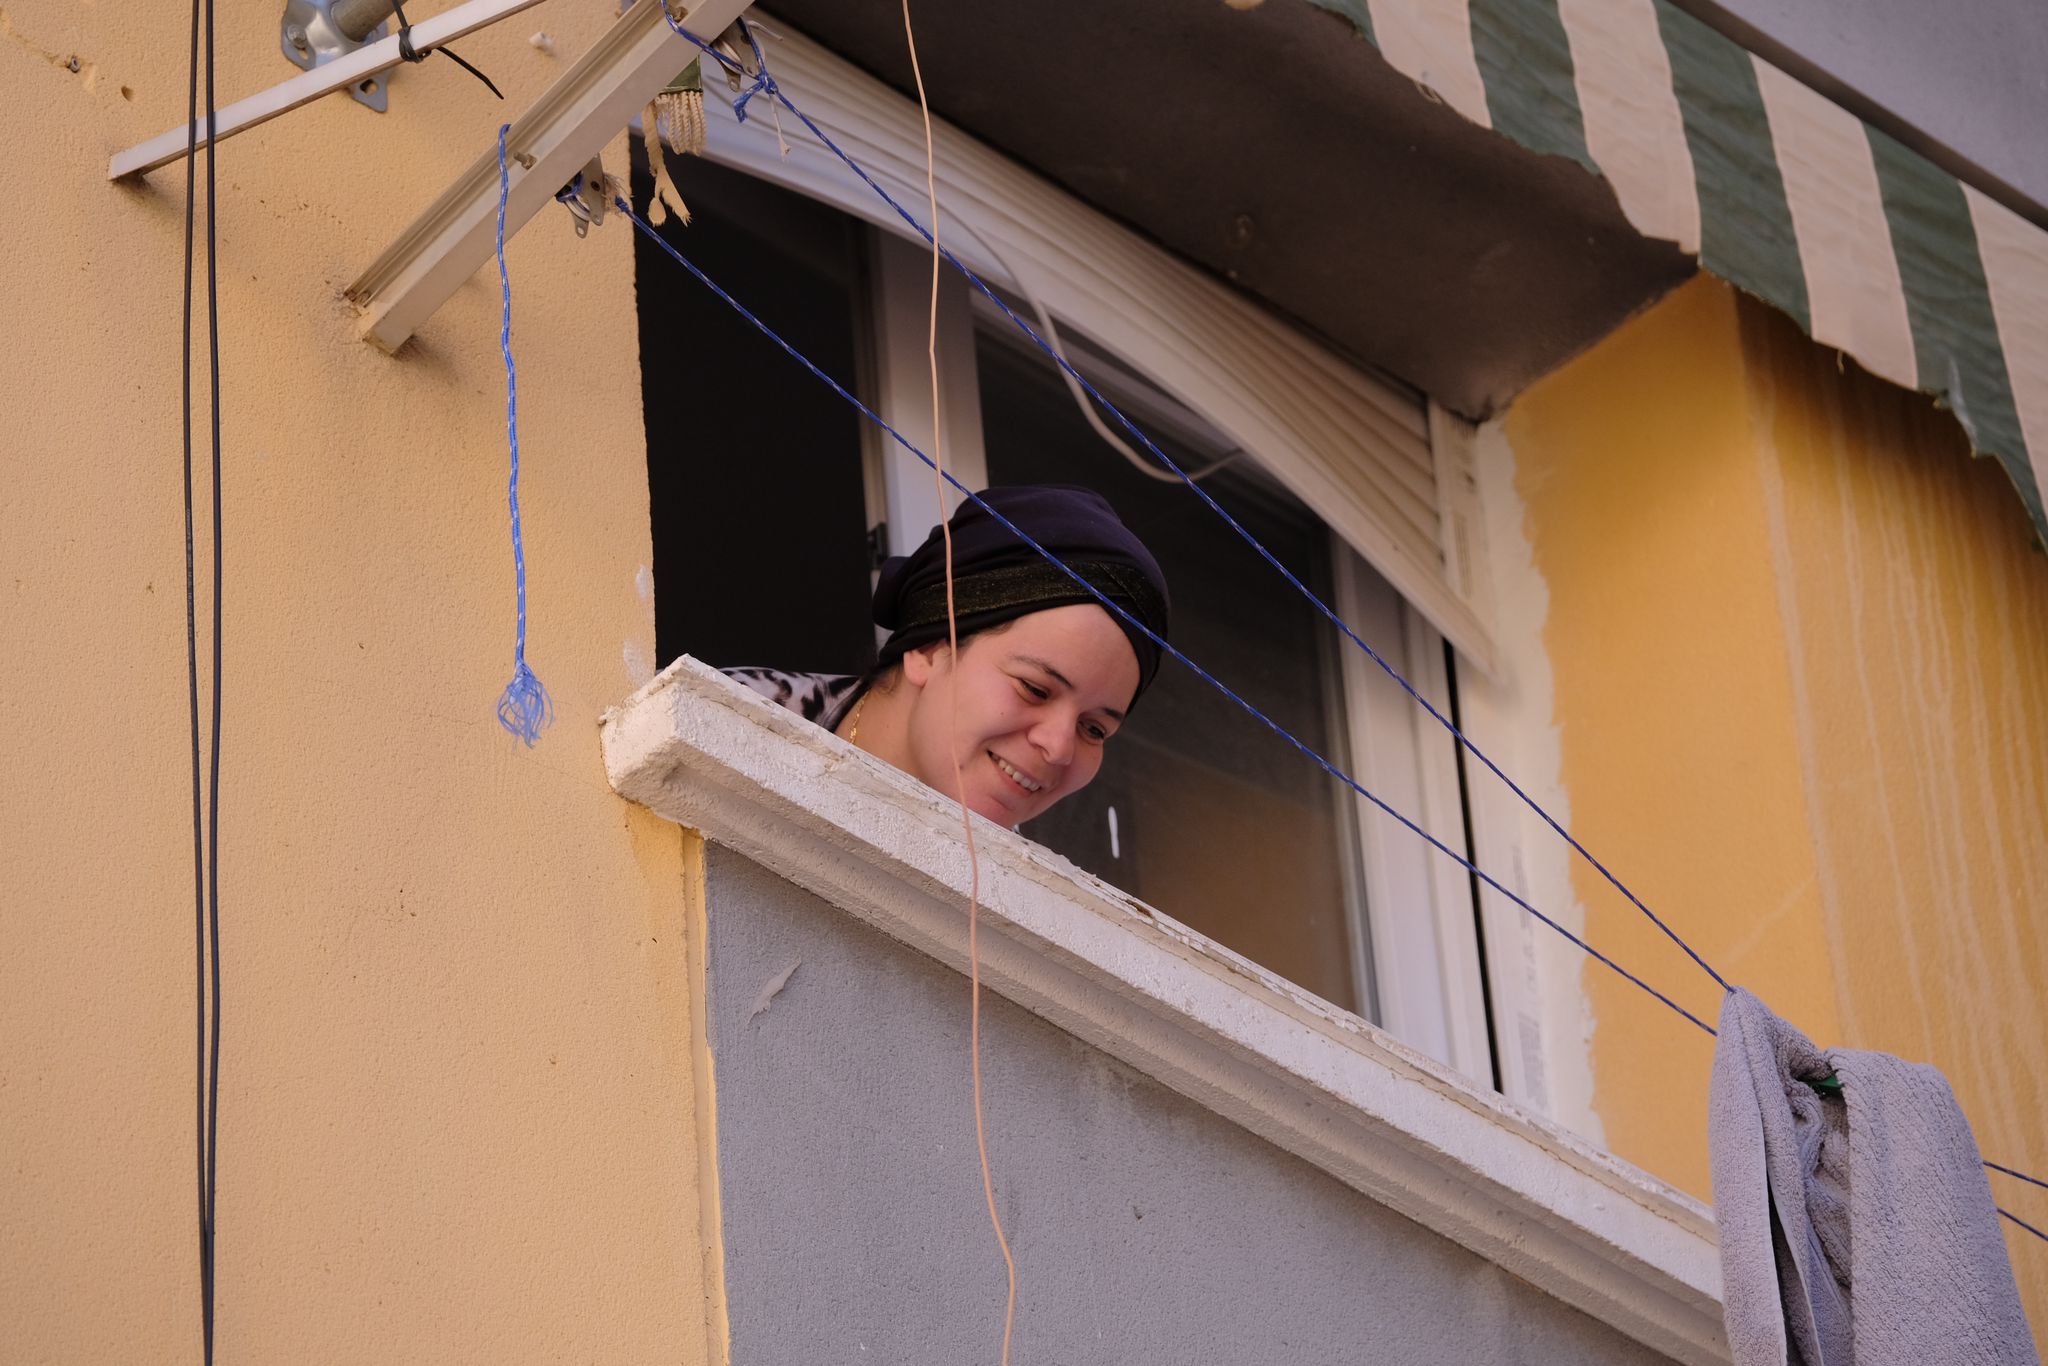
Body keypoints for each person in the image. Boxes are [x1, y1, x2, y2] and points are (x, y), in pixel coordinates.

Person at [725, 485, 1170, 826]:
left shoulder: (1026, 899)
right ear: (928, 646)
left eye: (1094, 728)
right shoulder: (725, 723)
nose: (1058, 748)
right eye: (1035, 689)